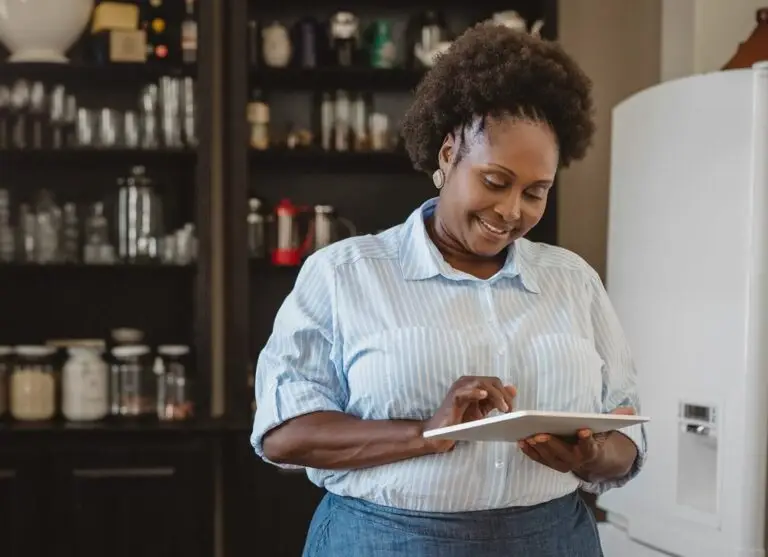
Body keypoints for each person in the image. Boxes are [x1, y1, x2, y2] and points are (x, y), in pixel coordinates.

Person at [251, 22, 646, 557]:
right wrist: (427, 431)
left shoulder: (573, 280)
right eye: (495, 181)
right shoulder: (344, 274)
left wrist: (589, 455)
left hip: (554, 541)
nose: (511, 211)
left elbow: (627, 438)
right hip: (384, 543)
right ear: (447, 154)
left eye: (536, 193)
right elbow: (284, 433)